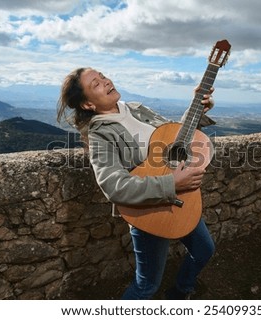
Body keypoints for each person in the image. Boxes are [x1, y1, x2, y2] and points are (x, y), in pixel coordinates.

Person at [57, 67, 216, 300]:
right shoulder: (100, 134)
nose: (106, 81)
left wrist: (196, 109)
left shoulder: (136, 109)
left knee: (204, 251)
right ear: (88, 105)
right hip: (148, 211)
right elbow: (114, 186)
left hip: (181, 199)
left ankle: (179, 292)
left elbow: (173, 138)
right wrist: (171, 183)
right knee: (147, 285)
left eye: (102, 76)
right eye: (96, 84)